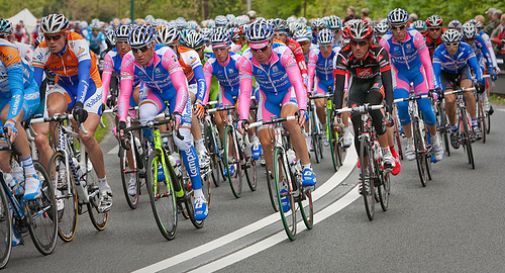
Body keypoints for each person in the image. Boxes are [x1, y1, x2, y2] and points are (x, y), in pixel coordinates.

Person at [118, 25, 208, 220]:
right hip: (153, 92)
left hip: (177, 92)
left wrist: (177, 112)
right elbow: (124, 94)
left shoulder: (166, 55)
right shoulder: (128, 60)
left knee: (183, 140)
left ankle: (199, 196)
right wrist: (122, 120)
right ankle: (160, 155)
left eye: (143, 49)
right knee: (144, 115)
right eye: (135, 50)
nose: (138, 54)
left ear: (152, 45)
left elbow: (181, 87)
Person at [32, 14, 112, 212]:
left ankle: (103, 185)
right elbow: (34, 86)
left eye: (56, 37)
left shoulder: (78, 43)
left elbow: (84, 77)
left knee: (85, 134)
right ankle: (60, 162)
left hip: (90, 87)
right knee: (51, 112)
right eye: (47, 37)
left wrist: (79, 105)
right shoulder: (42, 50)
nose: (51, 42)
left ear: (65, 34)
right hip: (64, 87)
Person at [237, 21, 316, 212]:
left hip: (288, 91)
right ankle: (281, 183)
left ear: (271, 42)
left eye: (263, 48)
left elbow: (297, 82)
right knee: (264, 138)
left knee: (288, 118)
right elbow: (245, 93)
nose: (259, 54)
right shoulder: (245, 60)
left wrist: (303, 108)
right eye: (254, 49)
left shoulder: (284, 53)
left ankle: (306, 167)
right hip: (268, 97)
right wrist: (242, 117)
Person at [380, 8, 444, 162]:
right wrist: (391, 90)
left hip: (418, 73)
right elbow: (387, 68)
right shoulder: (385, 42)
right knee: (401, 107)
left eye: (401, 27)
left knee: (427, 109)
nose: (398, 31)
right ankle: (409, 143)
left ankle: (435, 141)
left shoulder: (416, 37)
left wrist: (432, 88)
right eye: (394, 28)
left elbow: (427, 64)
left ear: (407, 25)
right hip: (400, 75)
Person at [333, 19, 395, 170]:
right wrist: (336, 113)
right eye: (354, 43)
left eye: (362, 43)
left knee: (373, 107)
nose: (358, 48)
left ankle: (386, 153)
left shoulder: (379, 52)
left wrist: (389, 107)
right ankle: (365, 173)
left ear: (369, 42)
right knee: (356, 119)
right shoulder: (343, 55)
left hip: (376, 81)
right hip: (358, 85)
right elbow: (340, 87)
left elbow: (387, 83)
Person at [0, 18, 42, 202]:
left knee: (8, 117)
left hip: (26, 91)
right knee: (2, 158)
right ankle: (13, 180)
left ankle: (31, 173)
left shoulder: (8, 51)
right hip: (3, 96)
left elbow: (17, 91)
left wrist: (10, 120)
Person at [433, 29, 486, 144]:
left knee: (468, 92)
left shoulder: (466, 48)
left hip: (462, 71)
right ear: (444, 44)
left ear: (459, 43)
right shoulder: (438, 52)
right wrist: (437, 89)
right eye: (448, 44)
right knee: (450, 99)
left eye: (455, 44)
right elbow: (435, 74)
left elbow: (476, 67)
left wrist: (480, 81)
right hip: (446, 75)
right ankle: (453, 128)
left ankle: (475, 124)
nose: (451, 47)